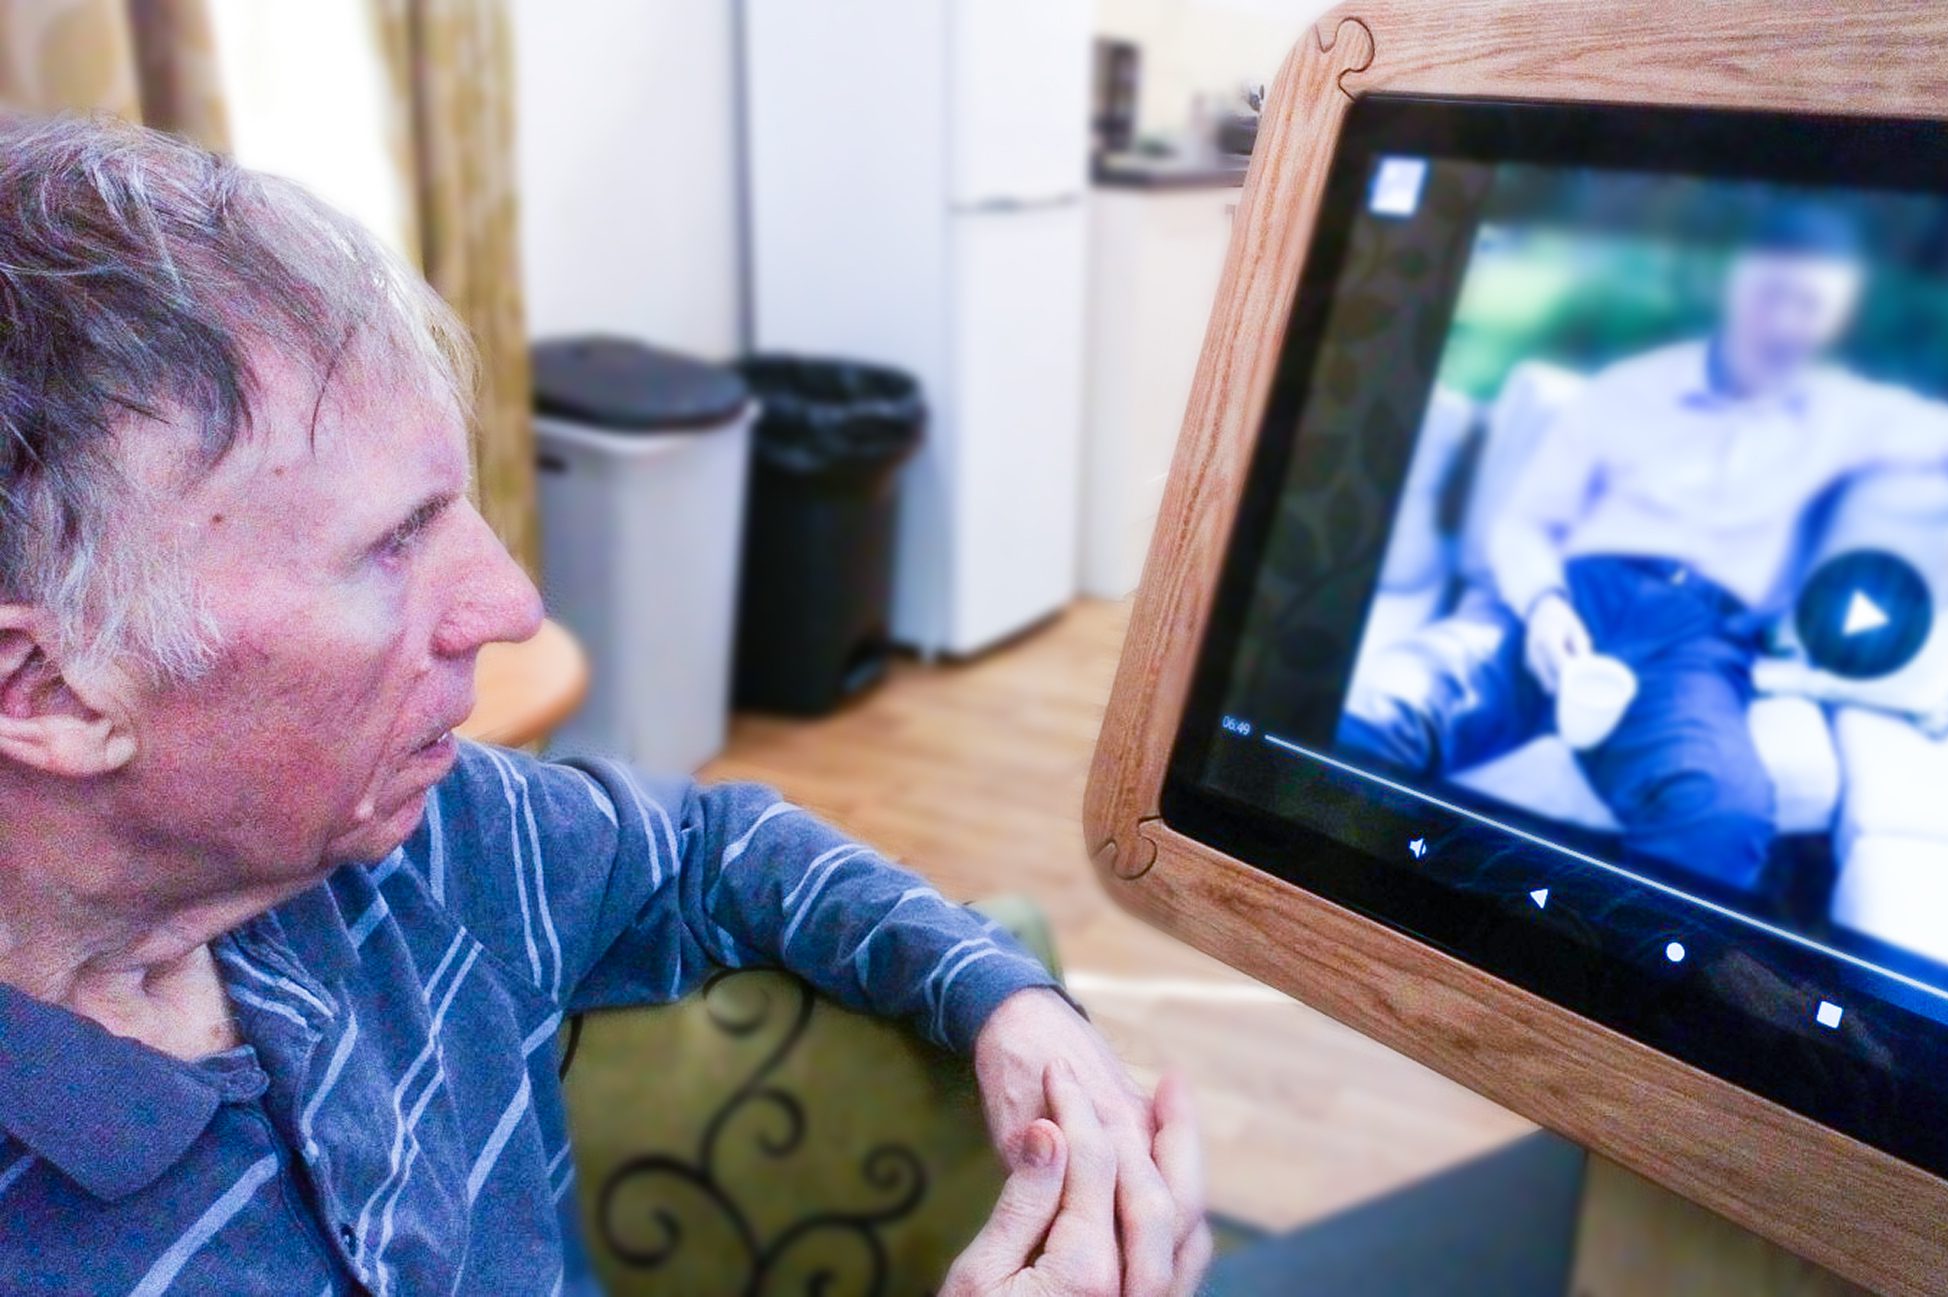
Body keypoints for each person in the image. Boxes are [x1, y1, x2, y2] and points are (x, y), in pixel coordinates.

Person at [0, 114, 1208, 1295]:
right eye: (390, 544)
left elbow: (707, 847)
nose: (512, 600)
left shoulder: (410, 844)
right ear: (46, 690)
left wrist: (1002, 994)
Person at [1340, 205, 1948, 895]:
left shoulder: (1844, 411)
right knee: (1387, 703)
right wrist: (1541, 604)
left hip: (1699, 643)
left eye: (1809, 307)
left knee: (1722, 816)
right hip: (1569, 596)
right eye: (1772, 295)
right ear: (1737, 288)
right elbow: (1524, 523)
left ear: (1832, 321)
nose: (1784, 322)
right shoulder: (1630, 388)